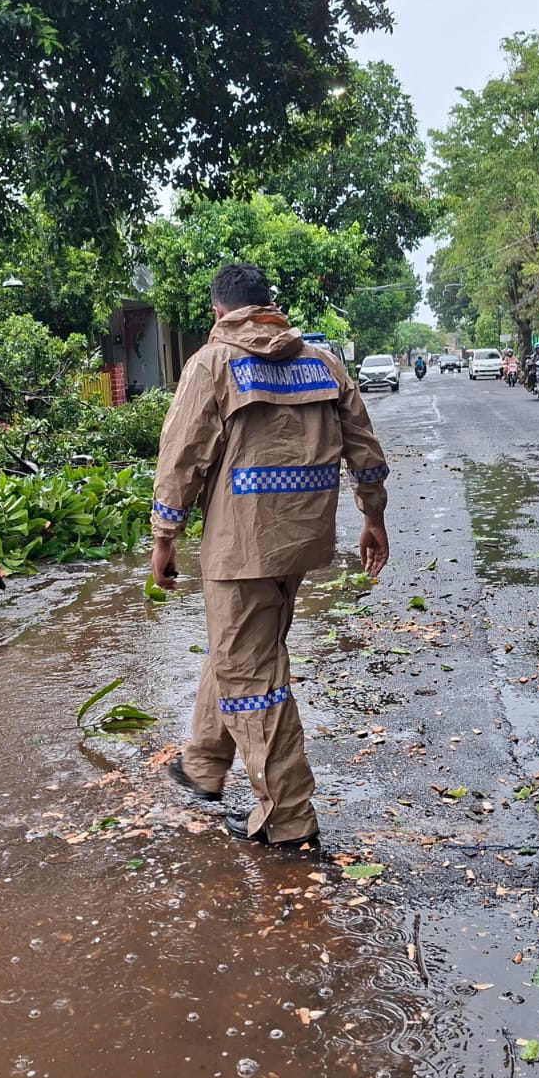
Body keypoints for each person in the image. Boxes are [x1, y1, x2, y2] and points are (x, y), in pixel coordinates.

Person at [152, 263, 390, 849]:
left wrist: (164, 535)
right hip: (302, 539)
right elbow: (364, 448)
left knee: (250, 672)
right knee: (242, 648)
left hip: (240, 545)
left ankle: (288, 816)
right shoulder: (324, 363)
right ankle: (204, 762)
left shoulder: (212, 363)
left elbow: (182, 456)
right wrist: (373, 516)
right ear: (269, 307)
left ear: (219, 311)